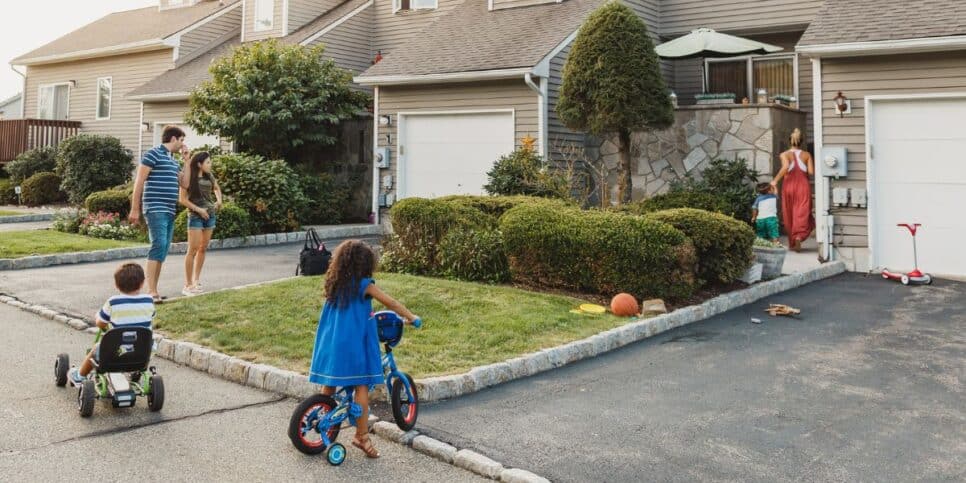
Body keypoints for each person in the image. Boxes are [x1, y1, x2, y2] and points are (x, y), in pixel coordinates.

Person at [309, 240, 420, 459]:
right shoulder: (364, 286)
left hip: (330, 344)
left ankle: (323, 417)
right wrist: (411, 317)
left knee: (330, 384)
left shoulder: (334, 283)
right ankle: (361, 436)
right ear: (365, 264)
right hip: (352, 346)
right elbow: (392, 302)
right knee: (361, 385)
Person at [68, 263, 155, 384]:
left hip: (116, 351)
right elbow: (151, 317)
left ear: (116, 285)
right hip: (144, 350)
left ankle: (80, 375)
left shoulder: (113, 302)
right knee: (139, 342)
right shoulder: (149, 300)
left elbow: (100, 324)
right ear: (142, 283)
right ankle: (135, 370)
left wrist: (98, 316)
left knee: (95, 351)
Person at [130, 125, 189, 303]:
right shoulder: (153, 154)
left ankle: (153, 289)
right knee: (158, 245)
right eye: (181, 140)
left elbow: (185, 184)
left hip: (169, 209)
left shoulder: (173, 161)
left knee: (163, 248)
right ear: (173, 139)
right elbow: (139, 181)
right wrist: (135, 208)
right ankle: (151, 291)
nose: (182, 144)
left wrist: (186, 161)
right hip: (155, 207)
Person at [178, 151, 222, 296]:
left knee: (203, 248)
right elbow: (183, 199)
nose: (211, 164)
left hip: (210, 216)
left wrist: (219, 201)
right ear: (199, 164)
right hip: (196, 216)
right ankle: (188, 284)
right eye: (208, 162)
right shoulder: (189, 177)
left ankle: (196, 280)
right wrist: (199, 210)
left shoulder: (209, 176)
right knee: (193, 250)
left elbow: (216, 188)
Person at [771, 128, 815, 252]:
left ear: (789, 141)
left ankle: (793, 240)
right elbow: (811, 172)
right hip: (803, 186)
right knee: (802, 211)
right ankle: (799, 236)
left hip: (789, 186)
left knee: (789, 212)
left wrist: (775, 180)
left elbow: (785, 167)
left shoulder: (784, 154)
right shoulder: (807, 155)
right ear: (801, 142)